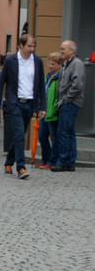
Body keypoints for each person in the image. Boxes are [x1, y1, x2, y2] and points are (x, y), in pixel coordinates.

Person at [0, 34, 45, 179]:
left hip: (30, 103)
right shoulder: (11, 61)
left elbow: (41, 85)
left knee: (19, 136)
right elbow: (2, 83)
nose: (32, 49)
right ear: (21, 45)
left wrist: (42, 106)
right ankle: (21, 167)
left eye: (34, 46)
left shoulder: (37, 61)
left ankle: (9, 162)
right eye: (29, 46)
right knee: (19, 134)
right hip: (15, 102)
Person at [51, 40, 83, 172]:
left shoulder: (77, 64)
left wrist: (65, 100)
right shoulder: (66, 64)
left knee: (63, 132)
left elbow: (77, 85)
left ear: (71, 51)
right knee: (69, 132)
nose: (61, 51)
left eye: (63, 49)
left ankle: (63, 161)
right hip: (67, 102)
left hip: (70, 103)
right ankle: (70, 162)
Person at [36, 53, 61, 169]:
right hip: (44, 111)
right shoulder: (48, 76)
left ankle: (53, 161)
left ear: (60, 65)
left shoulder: (59, 78)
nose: (50, 66)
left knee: (54, 138)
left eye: (53, 64)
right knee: (42, 136)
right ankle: (46, 159)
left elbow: (58, 95)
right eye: (49, 63)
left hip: (53, 112)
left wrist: (55, 108)